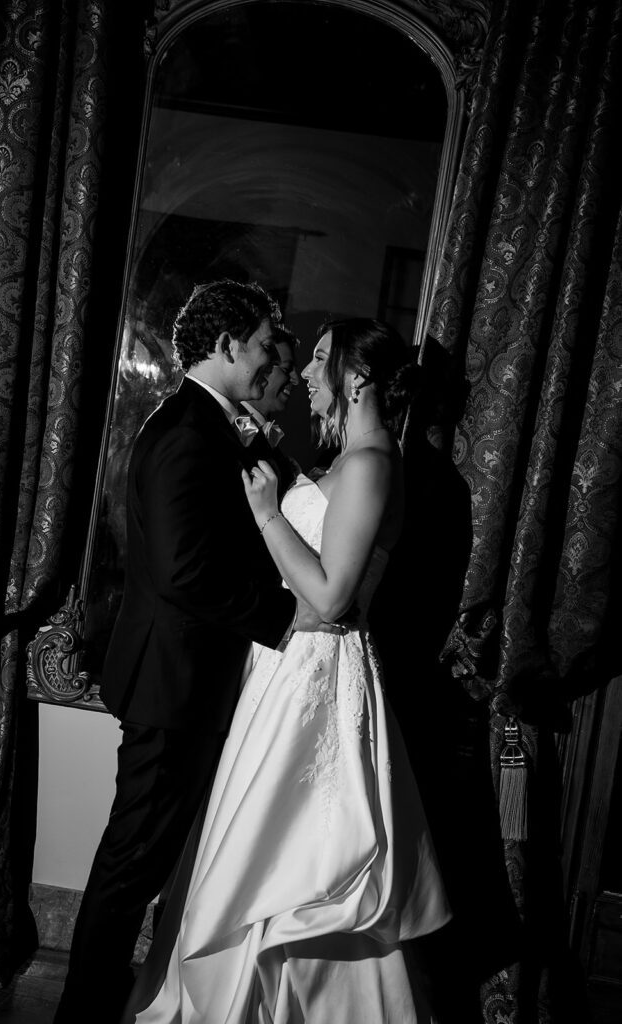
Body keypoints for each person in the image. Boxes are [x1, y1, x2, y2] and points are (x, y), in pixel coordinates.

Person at [122, 318, 452, 1024]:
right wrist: (276, 467)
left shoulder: (371, 463)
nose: (303, 373)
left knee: (289, 854)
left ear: (357, 378)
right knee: (246, 840)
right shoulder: (347, 461)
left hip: (319, 672)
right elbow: (321, 530)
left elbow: (331, 596)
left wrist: (270, 513)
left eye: (322, 361)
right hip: (281, 668)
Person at [54, 280, 327, 1024]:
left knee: (149, 852)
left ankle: (104, 994)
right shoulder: (185, 432)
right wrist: (288, 614)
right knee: (132, 858)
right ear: (230, 345)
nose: (280, 354)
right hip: (171, 683)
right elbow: (183, 572)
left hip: (186, 679)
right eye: (268, 341)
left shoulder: (208, 425)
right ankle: (82, 1009)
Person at [238, 324, 302, 497]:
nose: (295, 380)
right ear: (264, 368)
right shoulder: (240, 424)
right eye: (287, 369)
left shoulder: (258, 428)